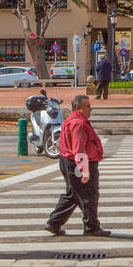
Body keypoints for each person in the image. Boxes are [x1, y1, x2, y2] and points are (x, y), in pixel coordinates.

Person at [46, 95, 110, 236]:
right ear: (78, 108)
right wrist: (84, 170)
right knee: (88, 196)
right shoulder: (79, 124)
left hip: (69, 161)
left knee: (74, 194)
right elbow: (79, 149)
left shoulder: (73, 120)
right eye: (87, 106)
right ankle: (91, 227)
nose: (90, 109)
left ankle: (54, 222)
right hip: (78, 163)